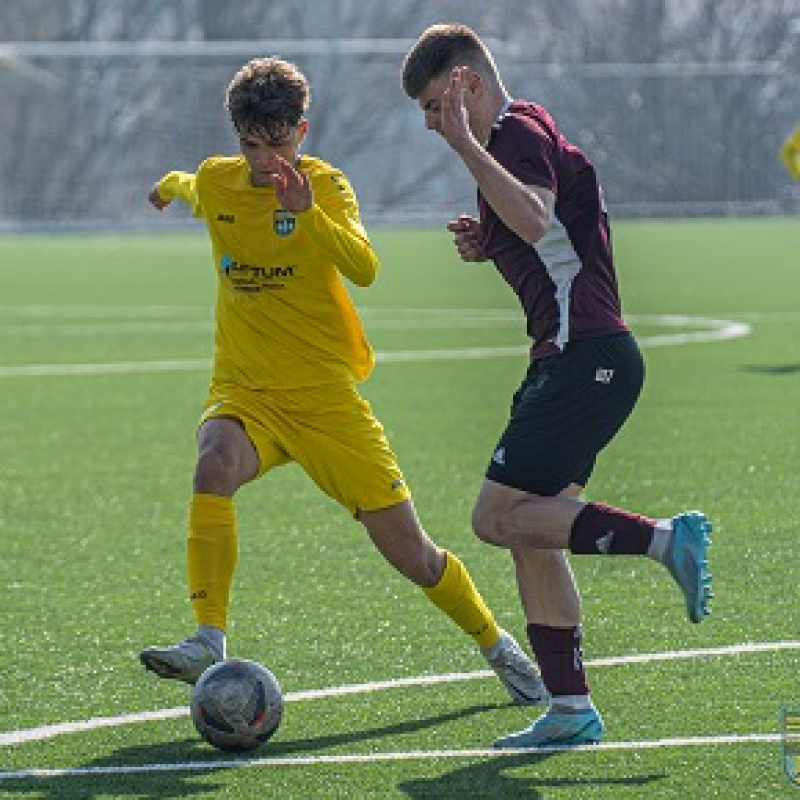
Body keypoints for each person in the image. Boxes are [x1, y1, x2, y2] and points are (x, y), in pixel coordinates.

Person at [138, 56, 550, 709]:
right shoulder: (221, 183)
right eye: (250, 146)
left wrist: (306, 214)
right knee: (213, 462)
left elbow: (363, 267)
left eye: (277, 145)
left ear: (301, 132)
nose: (264, 161)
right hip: (247, 392)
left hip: (327, 401)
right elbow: (191, 183)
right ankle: (208, 639)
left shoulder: (325, 187)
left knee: (412, 554)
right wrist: (164, 188)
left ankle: (497, 645)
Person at [401, 24, 712, 748]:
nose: (430, 123)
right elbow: (541, 232)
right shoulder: (517, 138)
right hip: (575, 358)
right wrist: (488, 245)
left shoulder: (509, 133)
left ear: (465, 83)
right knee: (531, 534)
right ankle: (572, 709)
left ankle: (667, 541)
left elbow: (537, 213)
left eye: (432, 104)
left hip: (585, 356)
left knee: (493, 519)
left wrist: (464, 146)